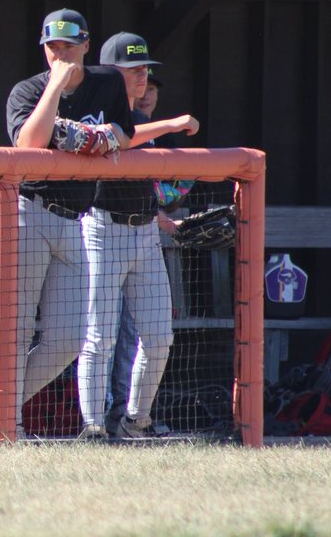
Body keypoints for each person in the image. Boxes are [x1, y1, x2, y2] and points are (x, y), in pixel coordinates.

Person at [0, 9, 135, 438]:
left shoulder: (107, 82)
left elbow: (125, 132)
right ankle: (6, 425)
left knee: (69, 338)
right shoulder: (27, 90)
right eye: (53, 47)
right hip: (24, 210)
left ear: (86, 45)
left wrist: (100, 137)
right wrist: (55, 87)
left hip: (73, 219)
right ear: (43, 48)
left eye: (69, 47)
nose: (61, 54)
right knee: (16, 330)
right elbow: (28, 143)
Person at [80, 32, 198, 440]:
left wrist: (165, 215)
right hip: (102, 228)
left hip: (145, 231)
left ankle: (136, 419)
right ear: (111, 73)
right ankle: (93, 425)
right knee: (100, 335)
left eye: (145, 69)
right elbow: (114, 137)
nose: (142, 76)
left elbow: (158, 183)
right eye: (133, 70)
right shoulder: (91, 113)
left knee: (160, 336)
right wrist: (175, 123)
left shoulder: (146, 122)